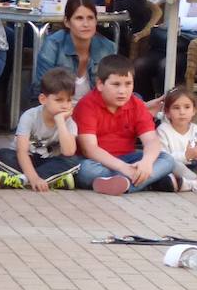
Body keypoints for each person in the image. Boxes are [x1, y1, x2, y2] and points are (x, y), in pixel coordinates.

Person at [74, 55, 176, 195]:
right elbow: (89, 149)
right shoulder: (87, 105)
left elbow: (151, 140)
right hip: (96, 161)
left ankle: (124, 183)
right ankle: (148, 181)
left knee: (167, 159)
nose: (122, 91)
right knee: (85, 171)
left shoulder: (136, 104)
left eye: (128, 84)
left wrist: (146, 162)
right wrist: (124, 168)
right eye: (116, 84)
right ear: (100, 84)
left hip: (128, 158)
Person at [0, 67, 81, 191]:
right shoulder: (29, 116)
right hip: (25, 159)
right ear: (43, 99)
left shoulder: (69, 121)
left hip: (49, 162)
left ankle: (21, 180)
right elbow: (22, 152)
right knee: (2, 155)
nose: (65, 105)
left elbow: (68, 152)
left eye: (69, 100)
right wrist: (34, 178)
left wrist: (60, 122)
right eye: (59, 100)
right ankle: (50, 181)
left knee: (73, 162)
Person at [32, 0, 116, 100]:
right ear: (67, 22)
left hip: (94, 108)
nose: (86, 24)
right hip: (57, 107)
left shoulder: (108, 48)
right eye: (79, 18)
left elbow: (112, 90)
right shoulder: (53, 45)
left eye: (90, 18)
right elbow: (41, 90)